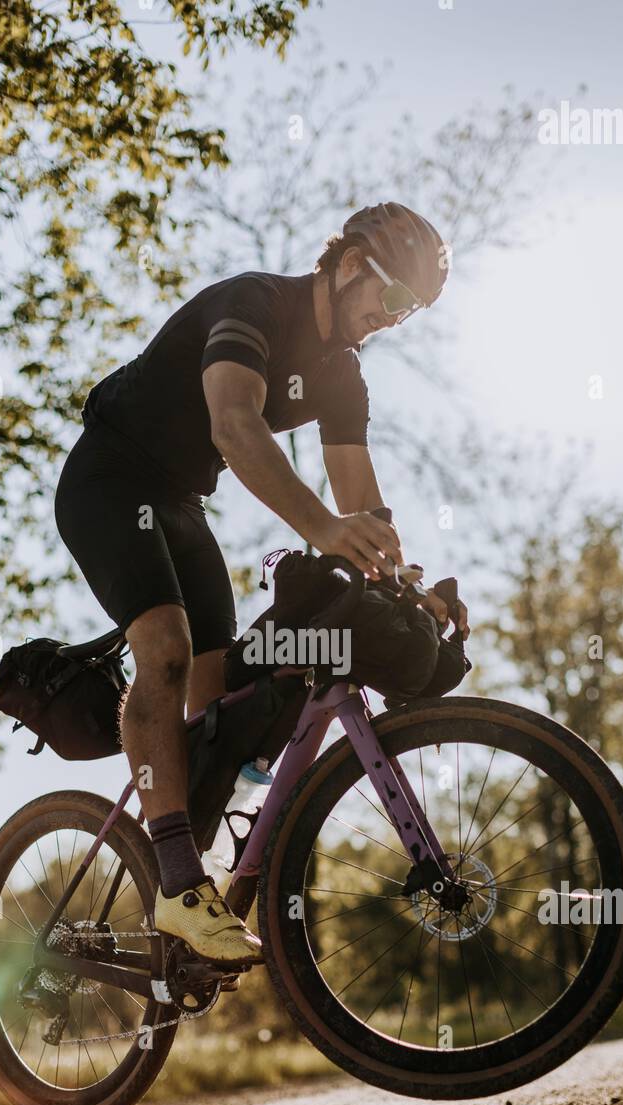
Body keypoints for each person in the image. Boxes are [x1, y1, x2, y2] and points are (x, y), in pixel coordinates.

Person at [55, 201, 464, 966]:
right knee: (167, 652)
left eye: (411, 311)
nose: (394, 318)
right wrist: (321, 530)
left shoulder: (344, 379)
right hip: (108, 480)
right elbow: (233, 426)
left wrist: (407, 583)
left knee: (218, 710)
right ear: (348, 266)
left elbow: (361, 505)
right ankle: (177, 886)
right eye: (395, 297)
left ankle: (186, 902)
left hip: (177, 502)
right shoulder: (255, 303)